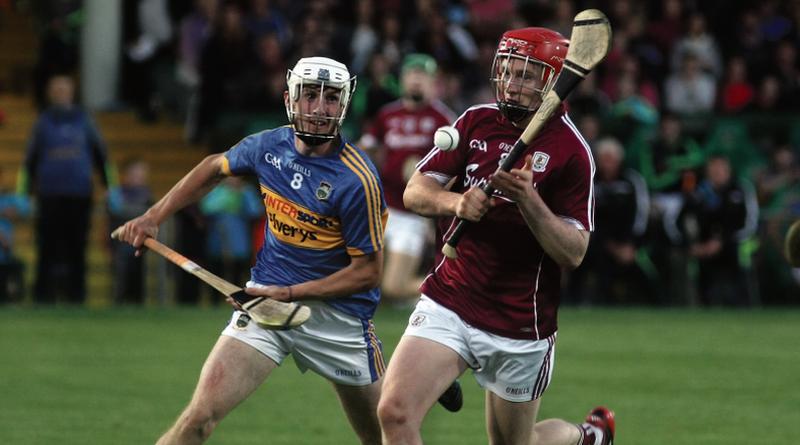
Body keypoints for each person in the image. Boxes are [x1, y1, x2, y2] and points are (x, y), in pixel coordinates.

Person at [115, 57, 387, 444]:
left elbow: (368, 273)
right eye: (310, 95)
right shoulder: (267, 146)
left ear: (344, 105)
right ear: (289, 98)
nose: (319, 109)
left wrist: (290, 294)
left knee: (387, 437)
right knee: (198, 418)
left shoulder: (357, 180)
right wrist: (154, 215)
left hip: (339, 323)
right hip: (263, 308)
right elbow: (213, 167)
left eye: (331, 98)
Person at [377, 28, 615, 445]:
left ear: (553, 81)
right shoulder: (475, 120)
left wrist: (529, 201)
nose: (512, 82)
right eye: (507, 71)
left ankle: (586, 437)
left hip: (519, 321)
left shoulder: (572, 151)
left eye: (526, 75)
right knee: (395, 413)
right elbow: (416, 191)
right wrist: (457, 204)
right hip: (450, 299)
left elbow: (574, 252)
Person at [359, 53, 455, 303]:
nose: (416, 80)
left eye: (422, 76)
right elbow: (366, 147)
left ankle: (457, 286)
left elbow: (455, 171)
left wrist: (433, 213)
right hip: (381, 208)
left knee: (393, 287)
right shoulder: (387, 115)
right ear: (402, 79)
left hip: (412, 214)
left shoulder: (443, 120)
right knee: (362, 276)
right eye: (411, 74)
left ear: (434, 83)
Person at [19, 74, 113, 304]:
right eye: (56, 89)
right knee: (47, 247)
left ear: (72, 92)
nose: (60, 93)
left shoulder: (85, 121)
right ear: (49, 93)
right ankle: (42, 297)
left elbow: (103, 157)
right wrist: (22, 194)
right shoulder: (42, 122)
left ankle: (76, 297)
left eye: (64, 89)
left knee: (77, 248)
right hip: (49, 195)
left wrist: (111, 188)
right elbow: (29, 161)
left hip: (79, 194)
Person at [108, 158, 153, 304]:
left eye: (141, 174)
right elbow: (116, 212)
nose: (138, 177)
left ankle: (137, 305)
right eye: (134, 174)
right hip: (120, 245)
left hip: (139, 244)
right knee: (121, 277)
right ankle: (119, 304)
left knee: (138, 278)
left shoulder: (146, 194)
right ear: (126, 175)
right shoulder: (117, 193)